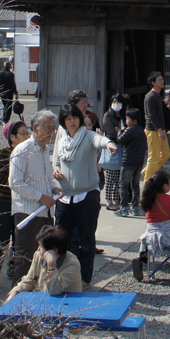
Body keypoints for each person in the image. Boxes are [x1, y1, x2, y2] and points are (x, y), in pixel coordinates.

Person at [52, 103, 116, 285]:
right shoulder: (61, 140)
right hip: (65, 196)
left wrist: (109, 144)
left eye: (74, 118)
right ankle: (65, 277)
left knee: (86, 241)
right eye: (68, 119)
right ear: (63, 122)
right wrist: (55, 170)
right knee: (62, 240)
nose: (72, 121)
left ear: (80, 119)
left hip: (86, 195)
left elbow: (99, 140)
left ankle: (84, 280)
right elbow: (55, 161)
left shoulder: (87, 136)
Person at [9, 109, 59, 281]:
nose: (51, 132)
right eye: (48, 128)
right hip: (28, 213)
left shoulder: (45, 150)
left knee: (44, 255)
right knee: (25, 258)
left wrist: (54, 188)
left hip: (45, 211)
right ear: (36, 127)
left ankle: (39, 291)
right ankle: (19, 294)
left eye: (53, 128)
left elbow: (47, 178)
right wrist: (40, 197)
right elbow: (15, 182)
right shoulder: (23, 150)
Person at [0, 119, 29, 292]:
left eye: (27, 133)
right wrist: (20, 181)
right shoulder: (3, 153)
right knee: (3, 241)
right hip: (3, 203)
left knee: (19, 240)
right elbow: (0, 180)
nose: (27, 136)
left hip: (21, 204)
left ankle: (14, 269)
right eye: (23, 133)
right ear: (12, 137)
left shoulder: (28, 153)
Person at [132, 170, 170, 282]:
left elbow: (162, 206)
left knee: (146, 246)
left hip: (151, 235)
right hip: (169, 235)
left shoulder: (148, 198)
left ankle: (140, 260)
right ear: (164, 185)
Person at [8, 225, 83, 297]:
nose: (38, 249)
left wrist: (51, 267)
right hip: (43, 301)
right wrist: (15, 291)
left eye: (41, 246)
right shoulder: (38, 255)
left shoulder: (72, 265)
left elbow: (54, 291)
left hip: (64, 303)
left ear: (54, 250)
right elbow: (29, 280)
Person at [116, 106, 148, 216]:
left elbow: (120, 140)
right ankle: (135, 208)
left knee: (123, 185)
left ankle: (124, 208)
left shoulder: (129, 130)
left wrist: (120, 131)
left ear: (134, 120)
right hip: (138, 162)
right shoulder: (141, 131)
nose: (126, 121)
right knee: (135, 185)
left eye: (127, 119)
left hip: (128, 161)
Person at [100, 93, 127, 211]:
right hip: (112, 147)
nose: (116, 105)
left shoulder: (123, 115)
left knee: (118, 178)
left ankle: (116, 201)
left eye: (118, 102)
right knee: (110, 177)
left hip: (122, 147)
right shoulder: (108, 116)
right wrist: (121, 132)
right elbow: (111, 132)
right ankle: (109, 201)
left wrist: (120, 131)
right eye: (114, 102)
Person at [143, 72, 170, 180]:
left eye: (162, 79)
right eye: (159, 80)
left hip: (160, 129)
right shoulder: (150, 96)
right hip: (153, 130)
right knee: (153, 157)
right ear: (153, 82)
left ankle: (147, 170)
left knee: (166, 153)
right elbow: (151, 115)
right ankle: (148, 181)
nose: (162, 81)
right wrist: (159, 130)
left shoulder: (158, 96)